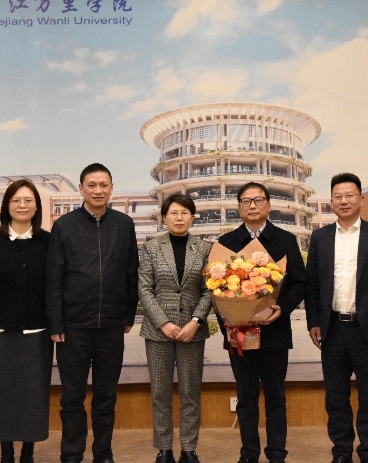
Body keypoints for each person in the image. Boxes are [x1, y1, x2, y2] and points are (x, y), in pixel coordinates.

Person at [46, 162, 139, 463]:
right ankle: (72, 453)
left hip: (111, 326)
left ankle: (103, 453)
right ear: (81, 188)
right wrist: (56, 323)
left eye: (104, 185)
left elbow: (131, 271)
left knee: (106, 397)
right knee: (72, 397)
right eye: (92, 185)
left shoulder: (124, 225)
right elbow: (54, 278)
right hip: (73, 327)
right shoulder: (64, 226)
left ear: (111, 188)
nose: (98, 190)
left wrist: (128, 315)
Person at [305, 172, 368, 463]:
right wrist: (313, 322)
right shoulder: (320, 238)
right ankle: (341, 452)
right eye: (338, 196)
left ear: (360, 199)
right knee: (335, 398)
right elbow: (312, 286)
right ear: (331, 201)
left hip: (367, 331)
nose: (343, 201)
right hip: (332, 329)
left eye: (349, 195)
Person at [217, 182, 307, 463]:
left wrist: (282, 307)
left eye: (258, 200)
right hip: (238, 334)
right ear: (239, 207)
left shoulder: (285, 240)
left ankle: (277, 453)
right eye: (246, 201)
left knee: (275, 396)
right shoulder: (226, 242)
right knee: (245, 397)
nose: (252, 205)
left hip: (274, 332)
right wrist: (228, 320)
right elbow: (215, 289)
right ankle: (249, 453)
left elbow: (300, 283)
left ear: (268, 204)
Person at [0, 180, 52, 463]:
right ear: (7, 206)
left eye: (28, 200)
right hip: (0, 334)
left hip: (38, 333)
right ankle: (6, 452)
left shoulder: (49, 242)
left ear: (36, 207)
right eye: (16, 200)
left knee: (34, 396)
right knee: (3, 395)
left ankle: (28, 452)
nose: (22, 205)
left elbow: (55, 287)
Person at [138, 193, 212, 463]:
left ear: (193, 217)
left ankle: (189, 449)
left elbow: (210, 290)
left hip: (193, 332)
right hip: (157, 332)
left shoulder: (204, 249)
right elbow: (144, 289)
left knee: (191, 393)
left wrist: (196, 321)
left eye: (184, 213)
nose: (179, 218)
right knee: (160, 393)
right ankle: (164, 449)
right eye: (173, 213)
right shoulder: (151, 248)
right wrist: (163, 323)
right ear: (164, 217)